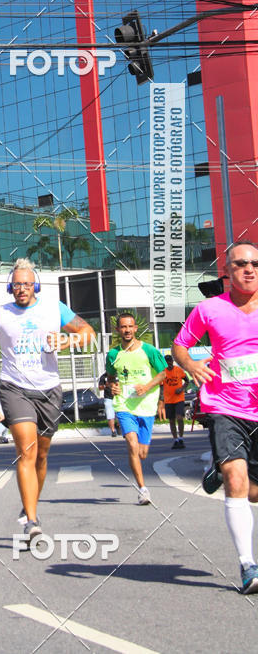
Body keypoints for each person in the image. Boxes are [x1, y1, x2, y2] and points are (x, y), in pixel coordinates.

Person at [0, 257, 95, 543]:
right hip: (15, 389)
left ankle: (30, 506)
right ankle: (32, 520)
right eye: (16, 285)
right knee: (27, 451)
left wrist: (68, 341)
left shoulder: (55, 309)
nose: (21, 289)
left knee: (41, 455)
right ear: (10, 288)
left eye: (26, 284)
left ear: (35, 284)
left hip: (49, 389)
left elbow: (88, 333)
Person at [173, 240, 258, 594]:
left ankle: (219, 473)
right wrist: (190, 364)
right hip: (226, 406)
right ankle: (248, 566)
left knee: (253, 492)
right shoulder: (209, 309)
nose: (249, 269)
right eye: (240, 264)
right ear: (228, 271)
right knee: (237, 478)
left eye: (255, 263)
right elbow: (180, 345)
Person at [106, 313, 167, 505]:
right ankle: (143, 489)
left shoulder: (149, 351)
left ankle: (142, 483)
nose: (127, 330)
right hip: (124, 404)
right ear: (118, 330)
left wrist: (147, 387)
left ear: (135, 328)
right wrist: (112, 386)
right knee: (132, 444)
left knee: (142, 453)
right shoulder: (113, 354)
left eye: (130, 326)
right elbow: (109, 378)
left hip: (146, 405)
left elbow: (163, 374)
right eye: (123, 327)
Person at [162, 354, 189, 448]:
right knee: (171, 420)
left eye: (170, 361)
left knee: (179, 418)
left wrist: (181, 389)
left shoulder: (178, 370)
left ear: (172, 361)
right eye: (166, 362)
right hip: (168, 400)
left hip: (179, 398)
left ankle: (181, 438)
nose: (168, 363)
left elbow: (187, 381)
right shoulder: (163, 372)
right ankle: (175, 440)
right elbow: (160, 385)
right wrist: (161, 398)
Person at [98, 369, 119, 436]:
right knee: (110, 415)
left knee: (121, 414)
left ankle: (119, 427)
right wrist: (105, 385)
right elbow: (100, 388)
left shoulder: (118, 375)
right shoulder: (103, 377)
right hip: (108, 398)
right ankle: (113, 431)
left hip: (119, 397)